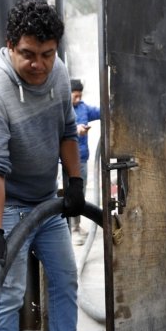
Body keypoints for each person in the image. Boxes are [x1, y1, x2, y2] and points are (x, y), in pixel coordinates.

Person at [0, 0, 107, 331]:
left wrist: (76, 183)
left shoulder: (59, 73)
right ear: (10, 46)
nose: (39, 64)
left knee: (65, 276)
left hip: (45, 197)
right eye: (28, 54)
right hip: (6, 201)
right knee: (9, 293)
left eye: (47, 54)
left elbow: (67, 129)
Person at [68, 79, 101, 245]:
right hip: (68, 160)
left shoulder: (83, 108)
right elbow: (60, 129)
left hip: (82, 158)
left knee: (79, 193)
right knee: (72, 193)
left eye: (80, 96)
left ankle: (77, 226)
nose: (78, 99)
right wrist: (76, 130)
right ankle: (73, 230)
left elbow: (100, 112)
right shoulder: (63, 109)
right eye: (75, 96)